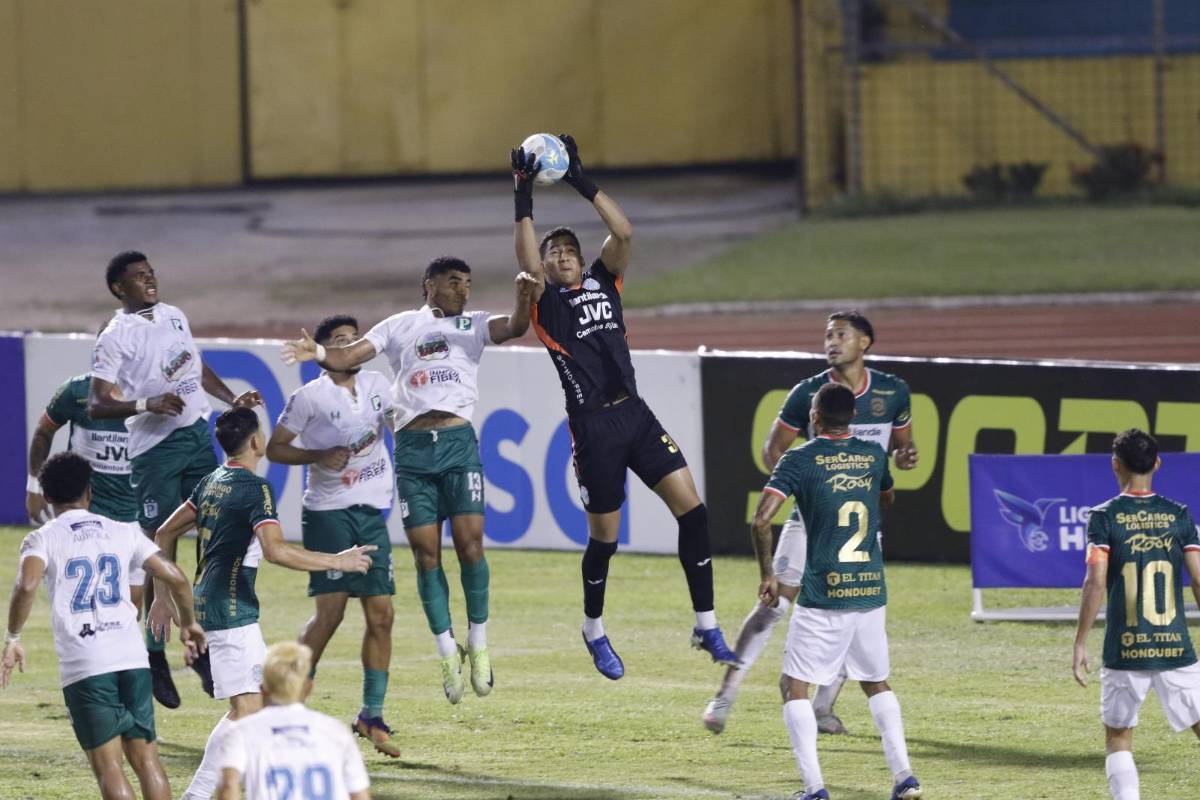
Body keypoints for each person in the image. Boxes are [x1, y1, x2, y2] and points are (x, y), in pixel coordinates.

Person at [511, 136, 737, 679]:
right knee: (604, 541)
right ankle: (593, 630)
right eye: (552, 251)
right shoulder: (546, 302)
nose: (561, 254)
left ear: (582, 259)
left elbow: (625, 231)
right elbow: (526, 259)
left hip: (635, 413)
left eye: (568, 249)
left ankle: (705, 623)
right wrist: (523, 198)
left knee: (694, 511)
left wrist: (580, 180)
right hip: (593, 429)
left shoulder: (604, 282)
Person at [281, 257, 537, 704]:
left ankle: (477, 643)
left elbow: (515, 326)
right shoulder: (400, 326)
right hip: (415, 452)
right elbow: (349, 354)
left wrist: (523, 298)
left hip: (458, 443)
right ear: (429, 285)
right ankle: (445, 651)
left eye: (468, 283)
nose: (463, 290)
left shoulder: (474, 325)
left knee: (472, 544)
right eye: (454, 282)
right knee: (425, 555)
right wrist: (318, 353)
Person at [704, 310, 917, 734]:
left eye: (841, 334)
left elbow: (901, 452)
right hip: (809, 521)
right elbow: (773, 450)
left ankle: (823, 707)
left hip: (858, 526)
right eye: (827, 336)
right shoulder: (808, 393)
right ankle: (724, 695)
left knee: (848, 608)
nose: (831, 342)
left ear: (865, 343)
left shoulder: (893, 392)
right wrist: (805, 484)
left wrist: (903, 458)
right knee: (775, 605)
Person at [147, 407, 375, 800]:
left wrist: (163, 598)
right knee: (251, 711)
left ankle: (200, 794)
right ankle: (207, 794)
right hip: (230, 610)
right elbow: (275, 551)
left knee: (250, 706)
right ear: (256, 442)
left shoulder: (210, 482)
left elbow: (163, 533)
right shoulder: (255, 489)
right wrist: (336, 561)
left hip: (214, 605)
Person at [89, 250, 263, 709]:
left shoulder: (173, 316)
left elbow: (194, 366)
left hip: (194, 439)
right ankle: (153, 654)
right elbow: (96, 403)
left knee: (218, 534)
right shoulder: (115, 335)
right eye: (137, 277)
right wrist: (145, 405)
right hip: (153, 453)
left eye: (150, 273)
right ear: (117, 288)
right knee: (158, 551)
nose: (149, 280)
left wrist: (231, 400)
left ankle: (203, 645)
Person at [1, 452, 206, 800]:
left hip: (87, 666)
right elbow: (174, 576)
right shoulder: (123, 531)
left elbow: (26, 585)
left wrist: (13, 637)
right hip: (132, 659)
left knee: (110, 768)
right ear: (89, 492)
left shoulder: (43, 538)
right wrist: (188, 624)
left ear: (47, 497)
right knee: (148, 761)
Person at [751, 383, 921, 800]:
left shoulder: (800, 458)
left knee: (794, 686)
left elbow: (760, 520)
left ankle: (814, 789)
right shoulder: (872, 454)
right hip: (869, 585)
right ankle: (905, 778)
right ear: (852, 419)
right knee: (876, 681)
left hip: (824, 591)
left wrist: (769, 574)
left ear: (815, 417)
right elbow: (887, 496)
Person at [267, 314, 401, 756]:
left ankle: (371, 714)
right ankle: (285, 701)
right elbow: (275, 447)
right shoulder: (308, 398)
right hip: (327, 513)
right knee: (332, 613)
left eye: (353, 339)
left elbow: (400, 423)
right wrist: (318, 454)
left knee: (382, 615)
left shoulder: (380, 383)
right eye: (340, 341)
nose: (351, 346)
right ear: (325, 354)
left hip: (371, 512)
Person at [1072, 429, 1200, 800]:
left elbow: (1095, 580)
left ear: (1116, 464)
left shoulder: (1103, 516)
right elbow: (1197, 578)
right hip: (1174, 644)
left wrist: (1081, 641)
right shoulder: (1179, 515)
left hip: (1125, 647)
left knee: (1118, 734)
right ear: (1157, 463)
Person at [213, 641, 371, 800]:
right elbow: (359, 794)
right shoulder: (336, 731)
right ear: (308, 688)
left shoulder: (241, 732)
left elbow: (228, 785)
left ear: (262, 689)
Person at [27, 370, 136, 525]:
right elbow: (44, 430)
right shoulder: (76, 390)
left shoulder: (156, 390)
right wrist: (34, 487)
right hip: (83, 509)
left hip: (136, 512)